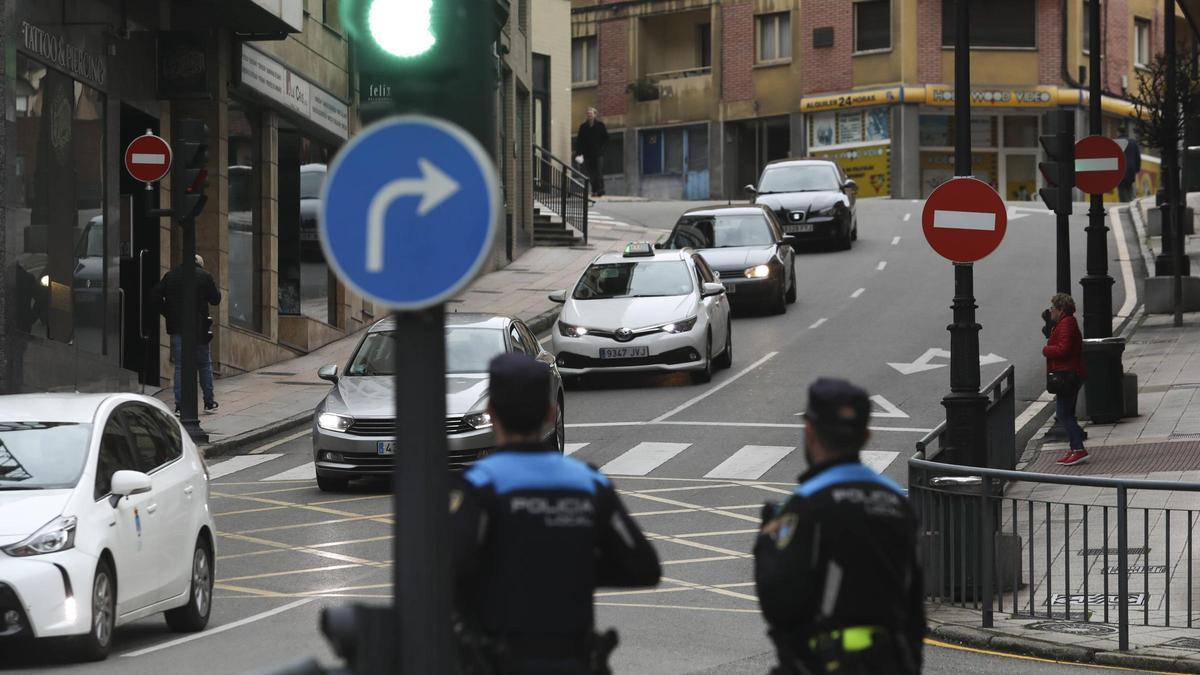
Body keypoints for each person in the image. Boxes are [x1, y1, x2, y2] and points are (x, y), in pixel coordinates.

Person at [451, 353, 661, 674]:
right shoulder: (588, 482)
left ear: (491, 412)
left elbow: (452, 569)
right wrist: (571, 567)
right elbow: (644, 567)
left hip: (501, 660)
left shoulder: (481, 483)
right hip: (573, 660)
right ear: (551, 412)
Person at [755, 378, 924, 675]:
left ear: (809, 431)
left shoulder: (807, 505)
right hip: (892, 662)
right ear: (866, 436)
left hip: (826, 663)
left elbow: (779, 602)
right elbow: (914, 603)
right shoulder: (898, 503)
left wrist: (767, 546)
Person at [154, 254, 221, 415]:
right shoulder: (204, 276)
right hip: (199, 327)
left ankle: (179, 405)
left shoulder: (171, 275)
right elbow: (215, 299)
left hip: (178, 327)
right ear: (200, 264)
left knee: (180, 366)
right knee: (204, 364)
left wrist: (168, 312)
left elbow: (155, 295)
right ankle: (209, 402)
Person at [1044, 293, 1088, 465]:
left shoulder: (1067, 323)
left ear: (1060, 309)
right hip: (1069, 373)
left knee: (1063, 414)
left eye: (1052, 308)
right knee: (1067, 413)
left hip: (1068, 375)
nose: (1051, 311)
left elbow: (1064, 349)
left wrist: (1046, 350)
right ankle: (1074, 447)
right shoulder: (1064, 323)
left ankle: (1078, 449)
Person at [575, 108, 609, 197]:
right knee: (591, 174)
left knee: (599, 172)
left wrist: (602, 149)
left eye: (591, 114)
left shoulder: (600, 125)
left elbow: (606, 138)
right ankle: (594, 190)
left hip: (598, 154)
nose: (589, 115)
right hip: (587, 154)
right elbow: (579, 141)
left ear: (595, 114)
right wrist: (579, 153)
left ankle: (600, 190)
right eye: (588, 114)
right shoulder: (583, 127)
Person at [1117, 126, 1141, 202]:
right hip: (1131, 169)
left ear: (1118, 132)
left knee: (1121, 188)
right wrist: (1137, 168)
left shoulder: (1116, 142)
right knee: (1129, 186)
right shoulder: (1133, 142)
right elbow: (1137, 157)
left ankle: (1124, 202)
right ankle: (1130, 201)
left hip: (1119, 168)